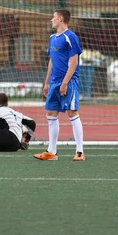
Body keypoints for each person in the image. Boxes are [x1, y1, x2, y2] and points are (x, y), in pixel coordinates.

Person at [33, 9, 85, 161]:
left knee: (72, 113)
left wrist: (65, 82)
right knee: (51, 114)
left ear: (61, 19)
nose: (51, 20)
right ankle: (51, 151)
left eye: (53, 17)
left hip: (69, 82)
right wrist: (47, 81)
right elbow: (52, 61)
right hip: (54, 82)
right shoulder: (52, 38)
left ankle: (80, 151)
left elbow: (74, 62)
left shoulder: (71, 37)